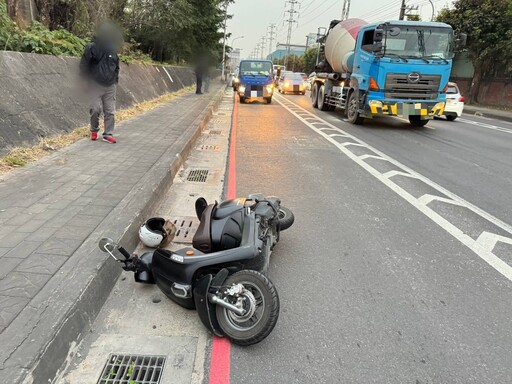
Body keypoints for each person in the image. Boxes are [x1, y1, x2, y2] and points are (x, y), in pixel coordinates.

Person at [80, 23, 122, 144]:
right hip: (95, 84)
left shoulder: (113, 50)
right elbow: (84, 65)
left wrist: (115, 80)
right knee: (95, 109)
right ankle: (94, 130)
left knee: (110, 111)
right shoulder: (92, 47)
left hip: (110, 85)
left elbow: (116, 66)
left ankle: (108, 134)